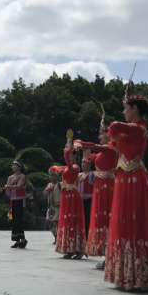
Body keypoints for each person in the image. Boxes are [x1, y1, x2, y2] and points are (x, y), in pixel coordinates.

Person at [103, 80, 148, 290]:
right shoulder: (131, 131)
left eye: (126, 108)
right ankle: (127, 273)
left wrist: (126, 101)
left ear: (134, 109)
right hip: (124, 179)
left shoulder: (139, 129)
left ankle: (139, 274)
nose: (123, 111)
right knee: (124, 222)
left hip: (135, 180)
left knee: (135, 223)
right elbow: (111, 142)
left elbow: (113, 128)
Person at [74, 115, 119, 270]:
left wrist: (82, 144)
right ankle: (108, 256)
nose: (99, 136)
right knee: (102, 219)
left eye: (101, 134)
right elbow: (89, 156)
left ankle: (111, 257)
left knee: (107, 219)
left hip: (107, 187)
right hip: (100, 187)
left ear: (108, 135)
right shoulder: (102, 152)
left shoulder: (111, 148)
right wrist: (80, 145)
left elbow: (93, 147)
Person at [50, 133, 86, 259]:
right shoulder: (67, 167)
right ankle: (70, 249)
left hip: (72, 196)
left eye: (71, 154)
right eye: (69, 154)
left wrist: (66, 150)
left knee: (73, 221)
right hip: (66, 196)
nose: (70, 156)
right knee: (66, 220)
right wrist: (59, 169)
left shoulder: (75, 167)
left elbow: (67, 166)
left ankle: (79, 250)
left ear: (75, 156)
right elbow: (53, 167)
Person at [4, 160, 28, 249]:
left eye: (15, 165)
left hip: (20, 200)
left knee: (19, 220)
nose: (13, 167)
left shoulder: (22, 176)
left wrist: (9, 186)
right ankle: (17, 240)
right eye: (13, 165)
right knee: (14, 220)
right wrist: (9, 186)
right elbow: (7, 189)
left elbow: (19, 187)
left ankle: (23, 240)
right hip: (12, 200)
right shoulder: (10, 177)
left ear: (20, 167)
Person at [78, 158, 95, 239]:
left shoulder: (92, 174)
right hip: (80, 200)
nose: (82, 164)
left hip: (89, 200)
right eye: (82, 163)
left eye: (85, 163)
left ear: (90, 165)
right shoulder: (79, 174)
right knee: (81, 218)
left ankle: (88, 235)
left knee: (88, 218)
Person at [43, 170, 61, 244]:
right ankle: (56, 236)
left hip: (58, 206)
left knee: (56, 221)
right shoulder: (49, 184)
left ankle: (59, 238)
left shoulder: (60, 184)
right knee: (49, 220)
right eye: (50, 175)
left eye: (52, 175)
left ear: (56, 176)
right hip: (50, 206)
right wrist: (49, 189)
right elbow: (44, 193)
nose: (51, 177)